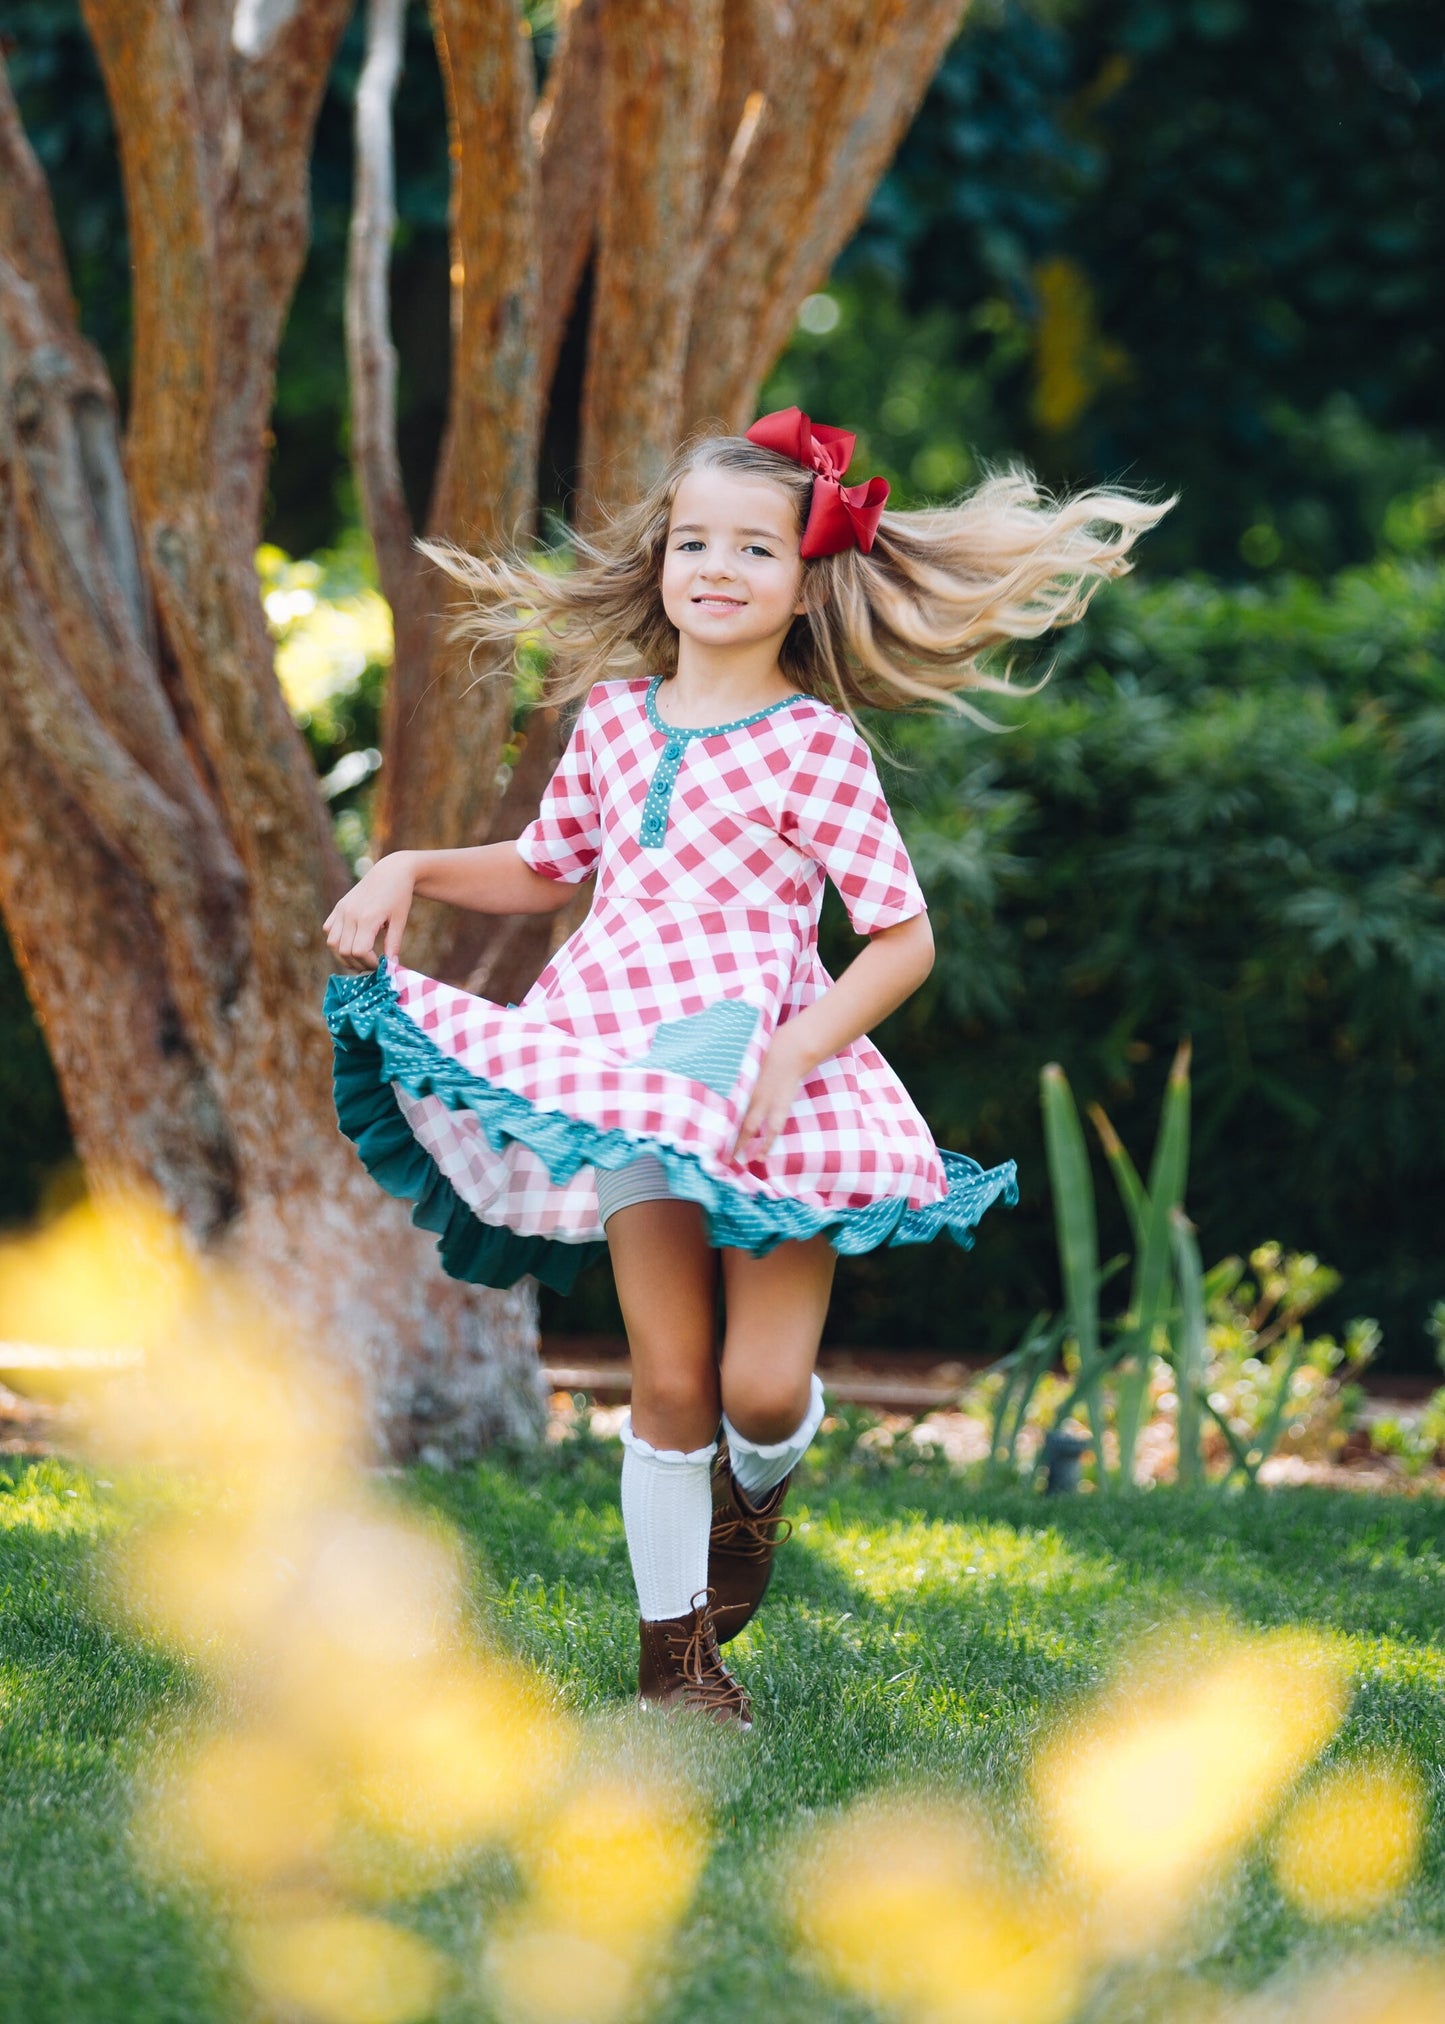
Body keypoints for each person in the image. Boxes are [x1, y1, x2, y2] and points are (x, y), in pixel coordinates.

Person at [323, 408, 1167, 1730]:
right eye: (691, 542)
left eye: (751, 549)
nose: (713, 568)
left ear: (803, 578)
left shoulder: (813, 745)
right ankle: (676, 1672)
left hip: (771, 1078)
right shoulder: (609, 723)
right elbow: (546, 874)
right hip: (628, 1074)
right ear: (661, 562)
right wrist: (407, 867)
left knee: (758, 1391)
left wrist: (797, 1049)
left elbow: (899, 938)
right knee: (668, 1377)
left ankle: (755, 1502)